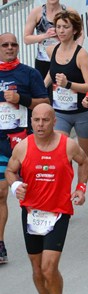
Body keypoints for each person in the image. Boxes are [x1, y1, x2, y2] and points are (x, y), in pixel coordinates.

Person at [5, 105, 88, 294]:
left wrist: (81, 189)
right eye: (36, 120)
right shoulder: (23, 147)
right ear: (31, 122)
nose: (40, 125)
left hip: (58, 212)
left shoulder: (68, 145)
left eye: (45, 120)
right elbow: (10, 171)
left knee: (48, 267)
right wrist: (15, 186)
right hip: (32, 213)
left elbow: (85, 162)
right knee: (37, 269)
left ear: (54, 122)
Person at [0, 33, 48, 266]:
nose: (10, 48)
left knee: (31, 191)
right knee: (1, 192)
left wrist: (21, 98)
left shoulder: (29, 73)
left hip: (25, 142)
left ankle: (38, 229)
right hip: (0, 142)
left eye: (14, 44)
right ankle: (0, 244)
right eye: (5, 45)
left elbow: (44, 102)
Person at [45, 11, 88, 184]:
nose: (61, 31)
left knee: (87, 157)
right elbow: (51, 74)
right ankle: (64, 191)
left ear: (74, 30)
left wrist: (68, 84)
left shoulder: (81, 54)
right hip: (60, 112)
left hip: (82, 113)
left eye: (65, 27)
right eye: (58, 27)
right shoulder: (51, 50)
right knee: (61, 154)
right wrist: (40, 90)